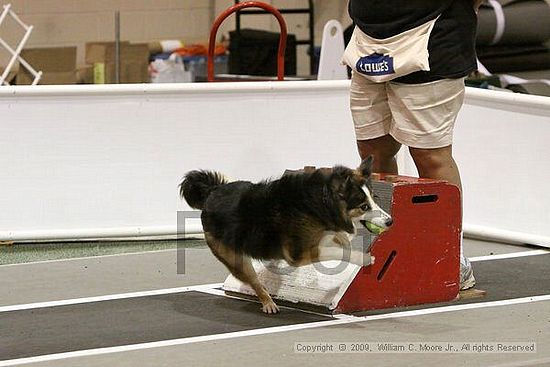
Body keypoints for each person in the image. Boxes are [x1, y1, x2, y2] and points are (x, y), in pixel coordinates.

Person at [343, 0, 484, 290]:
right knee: (372, 152)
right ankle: (382, 247)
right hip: (368, 39)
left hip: (432, 34)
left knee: (430, 156)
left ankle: (448, 257)